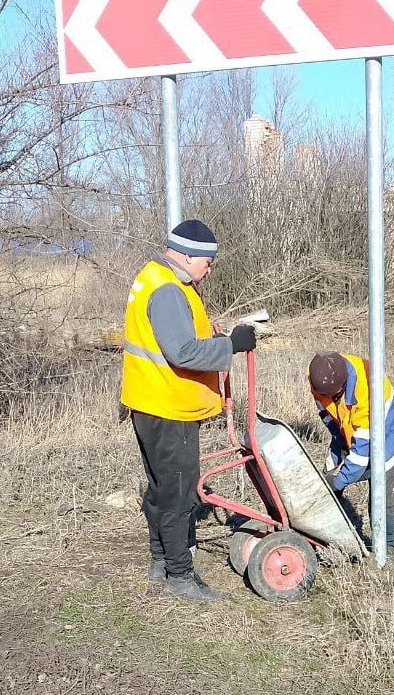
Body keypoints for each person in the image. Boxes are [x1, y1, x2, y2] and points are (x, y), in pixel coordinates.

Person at [121, 219, 256, 602]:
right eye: (207, 262)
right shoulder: (166, 290)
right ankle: (179, 576)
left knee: (163, 489)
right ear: (185, 255)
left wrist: (216, 340)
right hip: (169, 405)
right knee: (179, 494)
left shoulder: (156, 277)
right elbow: (181, 351)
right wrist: (231, 346)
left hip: (150, 401)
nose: (210, 269)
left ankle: (160, 562)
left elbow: (179, 338)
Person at [307, 352, 394, 552]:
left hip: (385, 437)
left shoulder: (368, 391)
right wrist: (338, 441)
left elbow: (361, 455)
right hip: (346, 429)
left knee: (379, 495)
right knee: (326, 482)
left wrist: (339, 481)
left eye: (331, 394)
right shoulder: (317, 377)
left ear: (342, 387)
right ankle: (325, 532)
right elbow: (325, 412)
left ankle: (387, 545)